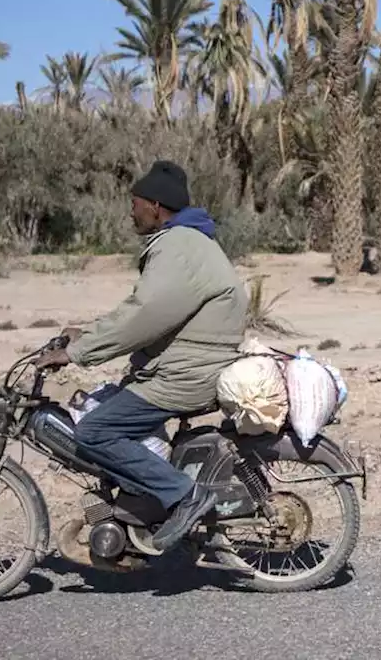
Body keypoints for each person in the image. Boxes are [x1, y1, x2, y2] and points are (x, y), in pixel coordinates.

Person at [34, 159, 249, 552]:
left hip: (183, 376)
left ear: (155, 205)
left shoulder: (179, 246)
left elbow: (145, 314)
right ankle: (139, 505)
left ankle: (184, 495)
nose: (130, 211)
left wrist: (78, 353)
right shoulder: (186, 242)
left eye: (134, 203)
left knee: (94, 431)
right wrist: (87, 333)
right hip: (181, 365)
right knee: (106, 409)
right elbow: (148, 311)